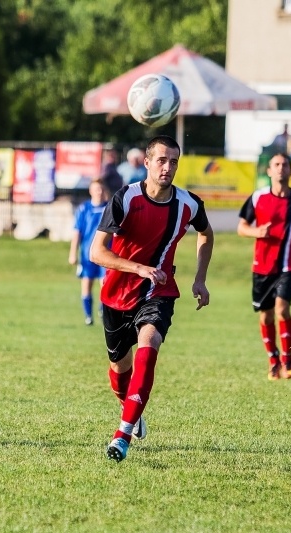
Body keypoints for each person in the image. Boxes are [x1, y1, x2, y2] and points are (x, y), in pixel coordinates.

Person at [90, 135, 214, 463]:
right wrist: (137, 267)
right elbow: (97, 251)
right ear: (147, 162)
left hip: (158, 292)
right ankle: (130, 405)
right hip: (116, 295)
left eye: (173, 161)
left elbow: (206, 232)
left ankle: (123, 434)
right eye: (161, 160)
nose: (168, 167)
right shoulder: (125, 198)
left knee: (149, 342)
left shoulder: (188, 204)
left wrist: (199, 278)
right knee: (119, 368)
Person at [237, 152, 291, 381]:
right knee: (266, 317)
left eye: (285, 164)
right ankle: (273, 360)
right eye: (277, 164)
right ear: (269, 171)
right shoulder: (258, 197)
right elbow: (242, 227)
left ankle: (287, 359)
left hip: (289, 264)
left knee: (282, 309)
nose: (281, 168)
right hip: (262, 266)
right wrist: (257, 232)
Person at [68, 179, 108, 325]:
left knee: (105, 285)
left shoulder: (109, 208)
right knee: (86, 284)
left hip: (106, 255)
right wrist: (73, 253)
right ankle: (88, 316)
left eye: (101, 189)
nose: (99, 192)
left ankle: (103, 311)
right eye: (96, 189)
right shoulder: (84, 209)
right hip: (87, 255)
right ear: (90, 191)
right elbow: (77, 232)